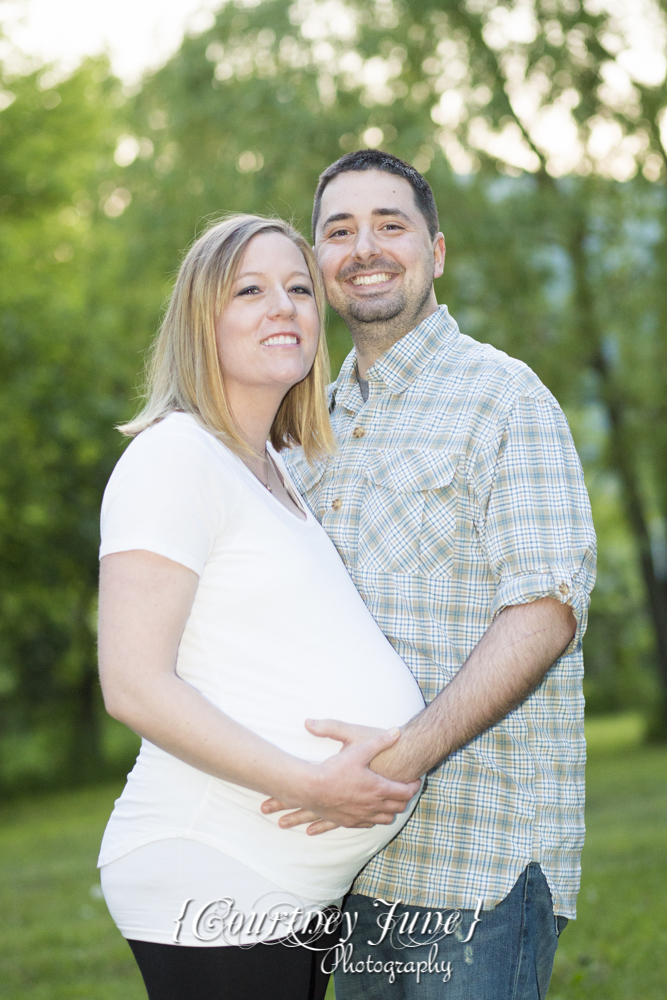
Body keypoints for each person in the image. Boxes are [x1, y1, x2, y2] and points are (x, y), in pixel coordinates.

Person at [268, 150, 597, 999]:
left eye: (390, 225)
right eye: (339, 231)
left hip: (475, 862)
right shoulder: (305, 430)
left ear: (436, 252)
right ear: (317, 264)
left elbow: (544, 611)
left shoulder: (503, 398)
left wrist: (398, 759)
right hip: (353, 867)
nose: (364, 247)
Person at [96, 213, 426, 1000]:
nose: (283, 306)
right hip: (213, 866)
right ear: (200, 322)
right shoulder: (172, 457)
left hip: (282, 890)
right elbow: (134, 684)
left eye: (298, 288)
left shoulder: (273, 469)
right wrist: (308, 783)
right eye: (250, 289)